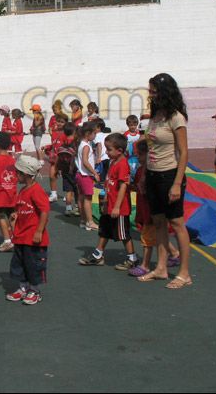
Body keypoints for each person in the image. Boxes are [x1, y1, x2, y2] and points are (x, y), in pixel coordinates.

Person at [137, 73, 192, 289]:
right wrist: (144, 175)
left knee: (177, 224)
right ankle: (161, 268)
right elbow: (151, 147)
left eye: (153, 91)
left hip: (169, 175)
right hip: (153, 175)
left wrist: (177, 183)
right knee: (158, 222)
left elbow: (183, 152)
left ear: (164, 92)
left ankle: (184, 273)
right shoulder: (155, 116)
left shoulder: (176, 118)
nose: (150, 94)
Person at [79, 133, 138, 270]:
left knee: (123, 234)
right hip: (110, 205)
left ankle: (132, 258)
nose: (106, 152)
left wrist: (117, 207)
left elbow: (123, 186)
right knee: (104, 230)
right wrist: (105, 200)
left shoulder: (122, 164)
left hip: (120, 208)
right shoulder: (113, 162)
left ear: (120, 151)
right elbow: (109, 183)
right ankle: (98, 255)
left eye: (109, 149)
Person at [128, 139, 181, 278]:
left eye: (140, 154)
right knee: (157, 236)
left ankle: (145, 265)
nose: (138, 157)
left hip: (150, 213)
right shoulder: (141, 171)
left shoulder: (150, 173)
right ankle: (174, 253)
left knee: (147, 240)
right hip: (147, 212)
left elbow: (148, 192)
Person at [5, 155, 49, 306]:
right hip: (21, 236)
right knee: (19, 263)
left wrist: (39, 231)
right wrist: (15, 216)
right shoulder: (23, 190)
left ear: (25, 174)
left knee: (34, 265)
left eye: (17, 172)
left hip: (33, 238)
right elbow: (21, 208)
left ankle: (34, 290)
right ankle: (23, 287)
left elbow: (44, 212)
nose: (15, 175)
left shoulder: (36, 191)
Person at [74, 122, 100, 230]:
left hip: (79, 174)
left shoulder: (81, 144)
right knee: (88, 199)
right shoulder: (86, 146)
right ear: (88, 134)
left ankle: (83, 220)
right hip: (85, 176)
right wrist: (94, 173)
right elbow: (85, 161)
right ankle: (90, 221)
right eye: (94, 133)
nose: (95, 136)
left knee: (81, 198)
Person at [124, 114, 142, 183]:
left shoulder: (139, 134)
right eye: (131, 125)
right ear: (128, 125)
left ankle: (137, 180)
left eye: (134, 125)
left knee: (137, 168)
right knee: (130, 169)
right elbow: (124, 144)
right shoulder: (126, 134)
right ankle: (130, 181)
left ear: (137, 125)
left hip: (137, 156)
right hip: (129, 156)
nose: (133, 127)